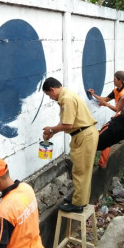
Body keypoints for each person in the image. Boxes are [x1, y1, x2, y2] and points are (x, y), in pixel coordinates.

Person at [42, 77, 99, 213]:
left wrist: (51, 129)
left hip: (84, 136)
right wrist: (53, 132)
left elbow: (68, 124)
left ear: (52, 89)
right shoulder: (68, 95)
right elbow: (69, 123)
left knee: (80, 171)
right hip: (83, 134)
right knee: (81, 170)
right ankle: (79, 198)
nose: (51, 98)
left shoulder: (66, 99)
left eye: (49, 95)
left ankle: (78, 204)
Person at [88, 71, 124, 168]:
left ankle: (101, 163)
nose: (113, 80)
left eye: (114, 79)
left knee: (105, 136)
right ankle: (102, 163)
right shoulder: (116, 91)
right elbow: (105, 99)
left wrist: (107, 105)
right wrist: (93, 95)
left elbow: (118, 109)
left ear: (119, 80)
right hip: (119, 119)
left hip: (122, 120)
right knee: (107, 137)